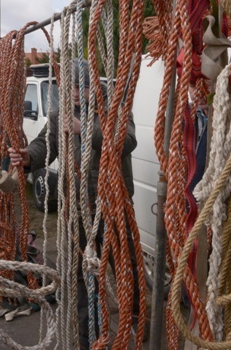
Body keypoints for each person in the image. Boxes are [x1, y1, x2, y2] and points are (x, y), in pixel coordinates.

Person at [9, 63, 139, 349]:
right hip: (78, 208)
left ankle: (137, 322)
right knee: (81, 274)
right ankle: (87, 336)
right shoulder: (59, 115)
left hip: (113, 204)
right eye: (72, 88)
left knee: (126, 266)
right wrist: (27, 156)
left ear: (95, 85)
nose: (78, 93)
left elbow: (127, 140)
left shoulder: (115, 106)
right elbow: (46, 144)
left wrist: (86, 129)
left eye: (83, 86)